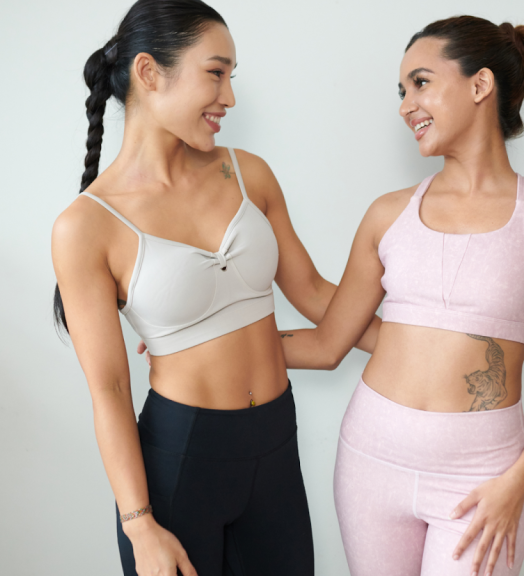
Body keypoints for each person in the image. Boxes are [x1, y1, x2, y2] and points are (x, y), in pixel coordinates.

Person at [50, 1, 377, 574]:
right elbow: (110, 390)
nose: (229, 96)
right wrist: (140, 524)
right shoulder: (86, 226)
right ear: (150, 73)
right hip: (181, 461)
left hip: (275, 445)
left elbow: (318, 296)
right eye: (215, 73)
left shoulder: (249, 173)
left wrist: (426, 344)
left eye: (231, 77)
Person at [279, 16, 524, 576]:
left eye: (420, 83)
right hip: (371, 462)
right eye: (402, 91)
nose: (406, 106)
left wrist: (516, 483)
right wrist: (204, 346)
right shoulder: (387, 214)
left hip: (483, 477)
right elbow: (328, 345)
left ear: (480, 85)